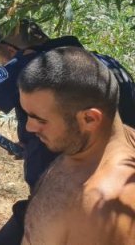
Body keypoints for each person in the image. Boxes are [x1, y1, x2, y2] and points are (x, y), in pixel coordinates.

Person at [0, 19, 135, 244]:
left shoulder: (33, 66)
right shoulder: (106, 66)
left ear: (10, 50)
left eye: (39, 119)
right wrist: (37, 142)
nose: (29, 126)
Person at [19, 47, 135, 244]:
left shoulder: (97, 206)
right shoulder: (84, 147)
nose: (29, 127)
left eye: (40, 120)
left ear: (89, 119)